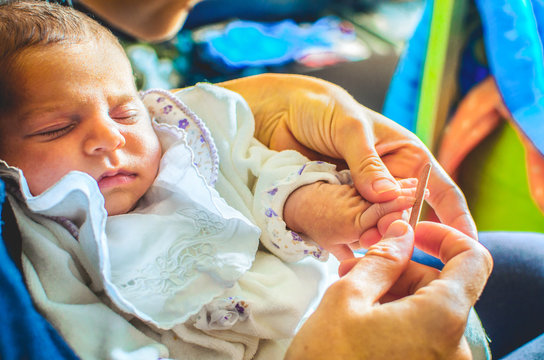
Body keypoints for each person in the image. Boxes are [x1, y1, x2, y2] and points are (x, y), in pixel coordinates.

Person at [0, 2, 424, 359]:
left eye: (125, 112)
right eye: (54, 128)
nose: (111, 137)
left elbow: (262, 177)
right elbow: (86, 332)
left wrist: (323, 208)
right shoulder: (43, 237)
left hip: (323, 305)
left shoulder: (185, 143)